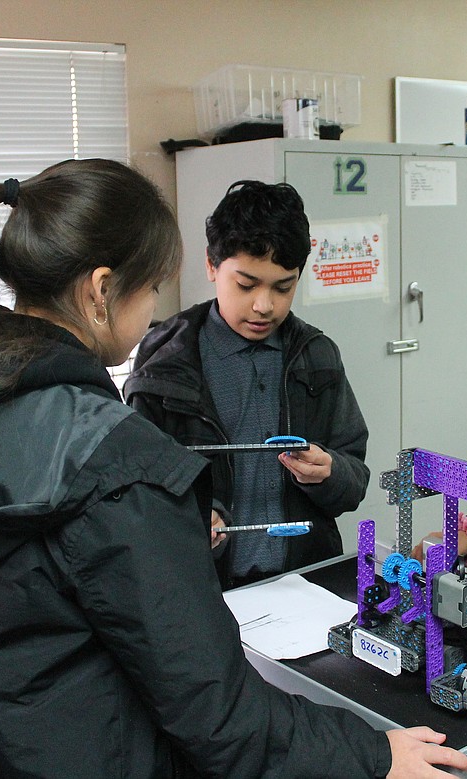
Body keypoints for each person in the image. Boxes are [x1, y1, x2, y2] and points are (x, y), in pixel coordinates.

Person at [0, 159, 467, 778]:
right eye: (152, 287)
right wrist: (372, 753)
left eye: (282, 286)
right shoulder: (117, 454)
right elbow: (216, 712)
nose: (262, 303)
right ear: (101, 291)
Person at [124, 180, 369, 590]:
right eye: (246, 284)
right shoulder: (166, 366)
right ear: (211, 266)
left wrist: (331, 473)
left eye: (283, 287)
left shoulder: (317, 356)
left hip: (306, 583)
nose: (264, 305)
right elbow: (134, 497)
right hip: (204, 589)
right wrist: (193, 517)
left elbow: (354, 480)